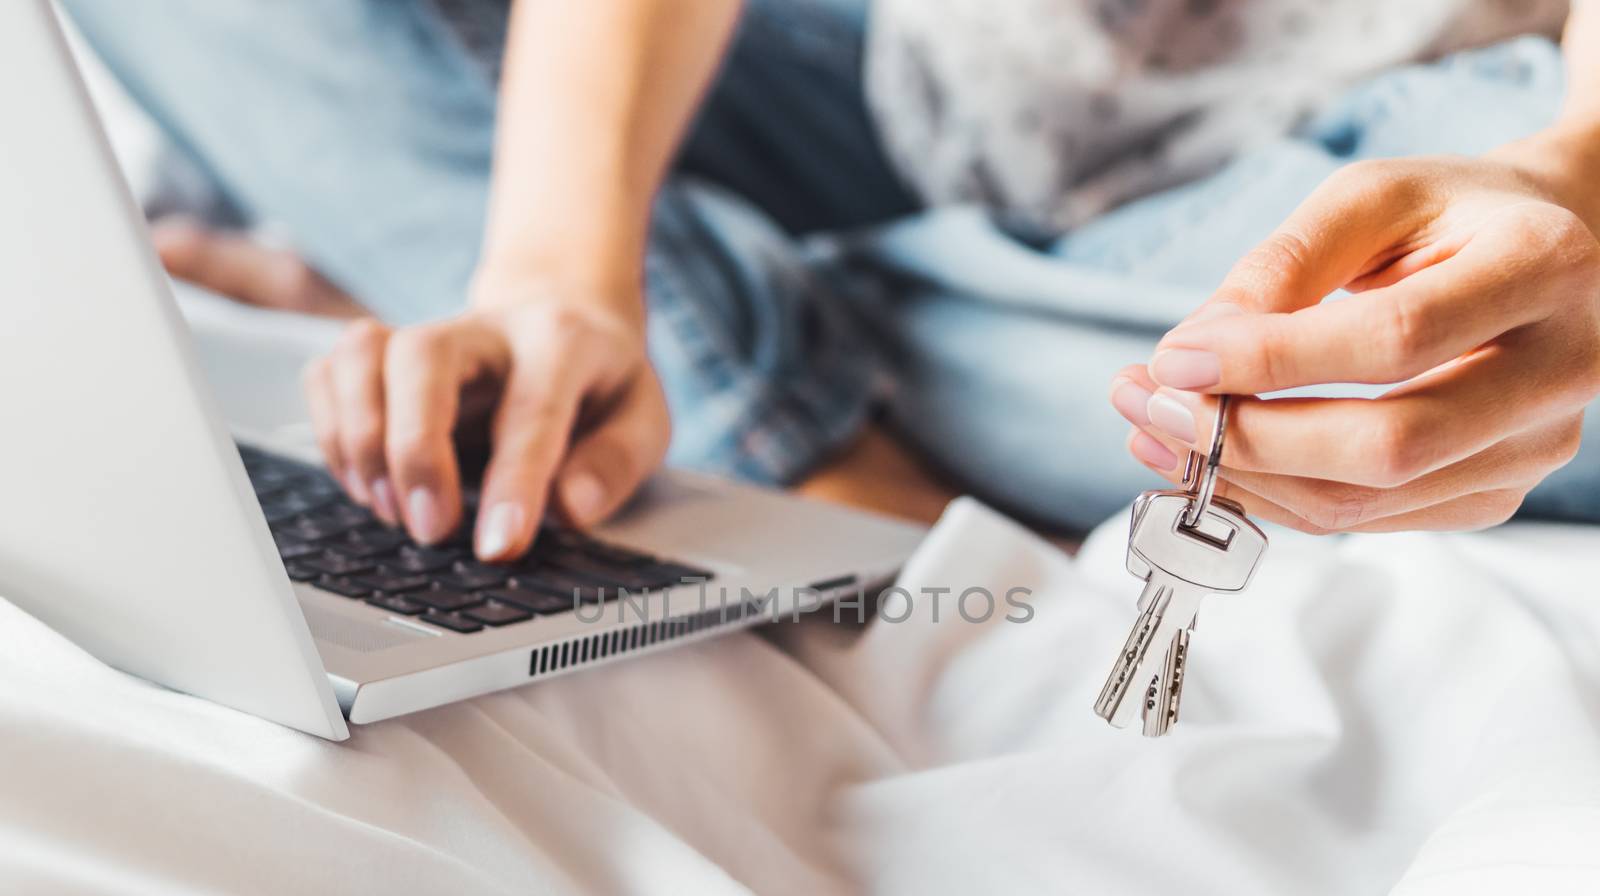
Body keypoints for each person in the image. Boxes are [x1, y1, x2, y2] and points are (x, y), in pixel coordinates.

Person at [62, 0, 1600, 558]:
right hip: (907, 77)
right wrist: (555, 262)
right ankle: (798, 384)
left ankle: (739, 339)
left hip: (1395, 144)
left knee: (1517, 357)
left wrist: (1574, 178)